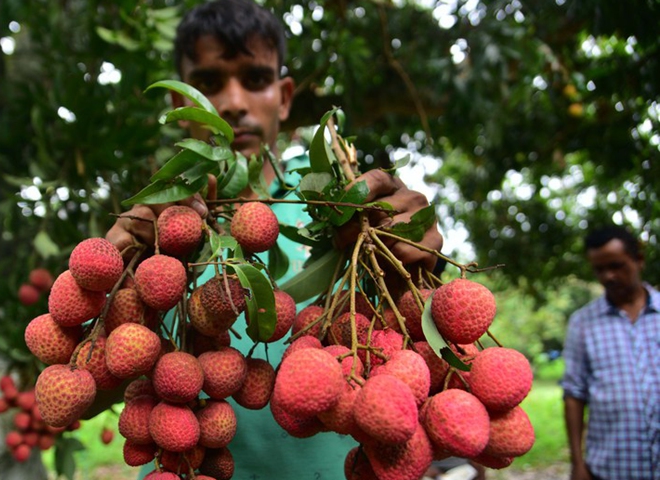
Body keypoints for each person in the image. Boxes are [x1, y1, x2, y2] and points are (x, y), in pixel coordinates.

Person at [105, 0, 443, 477]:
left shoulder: (339, 202)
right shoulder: (155, 221)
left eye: (255, 79)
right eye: (208, 84)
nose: (234, 103)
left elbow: (406, 322)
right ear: (181, 106)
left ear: (284, 96)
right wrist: (113, 286)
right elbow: (95, 384)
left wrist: (413, 252)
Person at [561, 225, 660, 480]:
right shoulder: (582, 322)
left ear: (638, 260)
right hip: (610, 468)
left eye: (616, 266)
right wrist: (577, 462)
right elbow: (574, 393)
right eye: (599, 269)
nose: (608, 277)